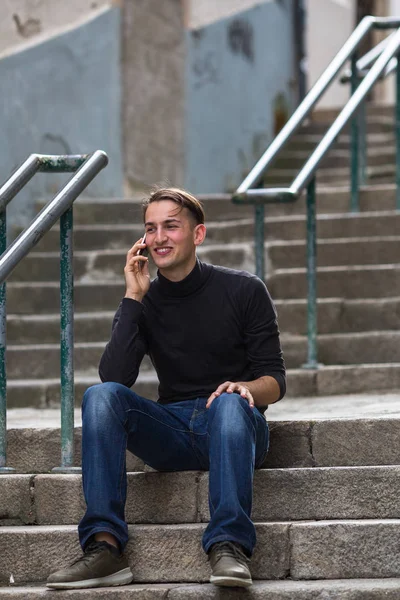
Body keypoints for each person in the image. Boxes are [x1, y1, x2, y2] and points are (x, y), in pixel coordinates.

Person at [46, 187, 286, 590]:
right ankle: (104, 549)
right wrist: (133, 297)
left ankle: (229, 545)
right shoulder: (145, 299)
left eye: (171, 226)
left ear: (198, 234)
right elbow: (116, 378)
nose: (159, 238)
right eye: (151, 228)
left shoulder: (244, 290)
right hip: (175, 427)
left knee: (228, 404)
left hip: (236, 426)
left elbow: (275, 381)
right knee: (99, 397)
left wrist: (243, 389)